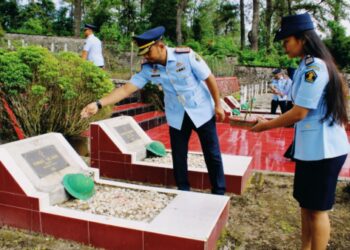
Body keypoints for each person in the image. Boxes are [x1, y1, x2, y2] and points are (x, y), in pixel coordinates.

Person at [81, 26, 226, 195]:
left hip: (201, 110)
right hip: (177, 115)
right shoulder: (149, 68)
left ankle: (219, 191)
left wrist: (218, 104)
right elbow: (126, 89)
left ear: (161, 46)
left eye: (148, 52)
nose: (146, 57)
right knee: (179, 156)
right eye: (143, 54)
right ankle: (183, 191)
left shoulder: (186, 56)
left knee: (212, 153)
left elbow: (209, 78)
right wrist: (98, 104)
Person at [251, 13, 349, 250]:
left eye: (287, 41)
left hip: (324, 152)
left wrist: (266, 126)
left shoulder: (314, 68)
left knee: (318, 211)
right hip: (310, 150)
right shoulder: (305, 65)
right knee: (306, 207)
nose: (284, 46)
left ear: (302, 39)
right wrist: (271, 118)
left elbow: (299, 112)